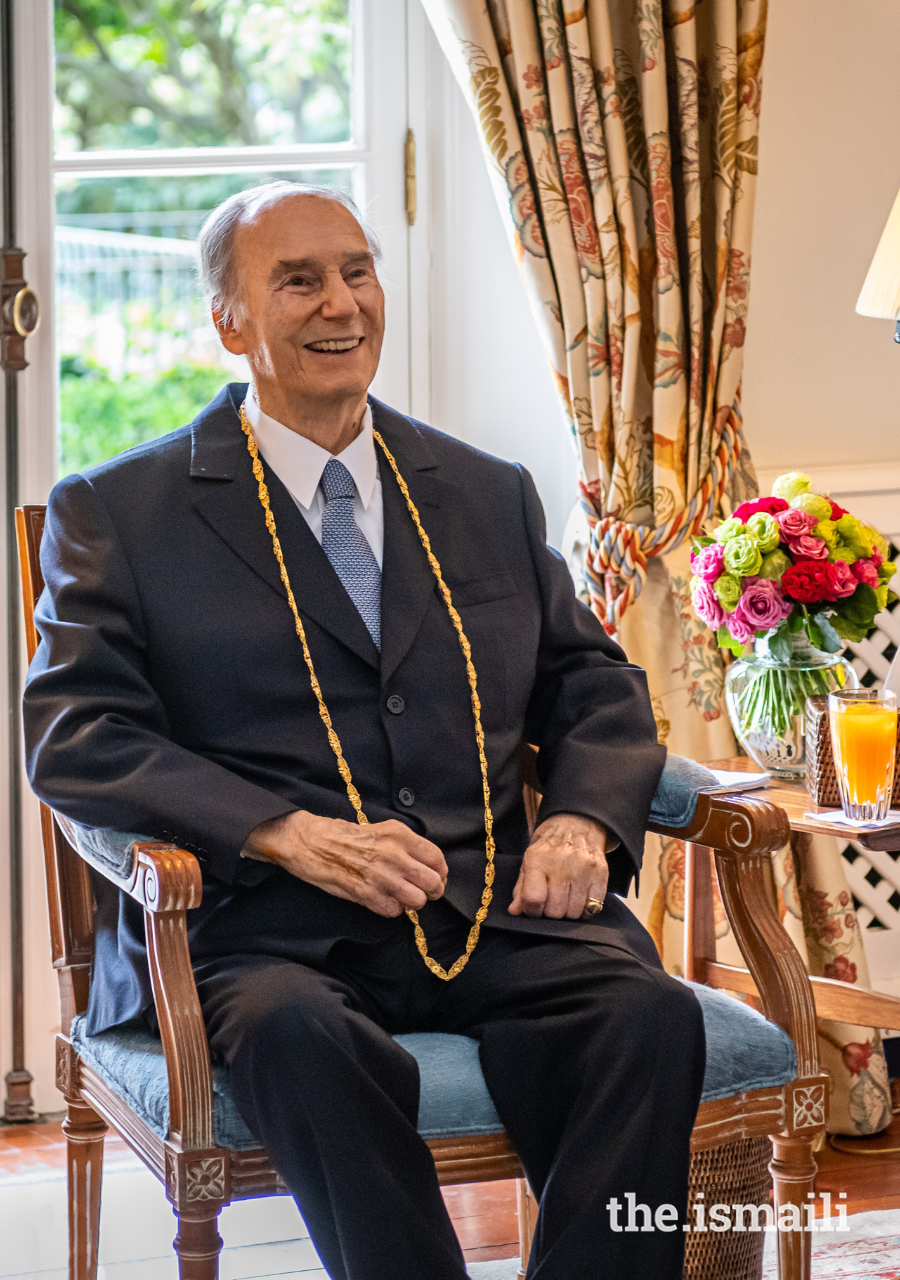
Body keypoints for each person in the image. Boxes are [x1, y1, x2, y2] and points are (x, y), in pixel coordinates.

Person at [24, 182, 705, 1279]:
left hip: (488, 903)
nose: (341, 302)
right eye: (297, 280)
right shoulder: (121, 509)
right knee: (302, 1039)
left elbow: (592, 678)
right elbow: (73, 731)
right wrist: (280, 830)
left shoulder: (486, 491)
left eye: (357, 270)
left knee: (646, 1014)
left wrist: (579, 817)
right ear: (230, 320)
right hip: (265, 929)